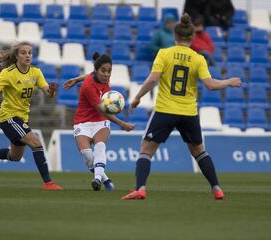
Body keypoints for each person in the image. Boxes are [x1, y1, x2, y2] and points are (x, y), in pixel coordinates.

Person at [121, 14, 241, 200]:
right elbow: (210, 85)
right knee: (199, 151)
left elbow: (153, 79)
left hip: (165, 109)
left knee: (146, 149)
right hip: (188, 112)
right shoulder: (198, 58)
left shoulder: (164, 53)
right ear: (192, 38)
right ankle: (216, 188)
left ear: (174, 36)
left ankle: (141, 188)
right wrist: (229, 81)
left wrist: (137, 97)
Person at [0, 41, 63, 191]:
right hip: (8, 118)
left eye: (30, 53)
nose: (27, 55)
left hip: (21, 119)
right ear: (16, 56)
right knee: (36, 143)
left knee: (14, 157)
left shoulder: (36, 72)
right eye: (23, 53)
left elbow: (48, 93)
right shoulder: (8, 74)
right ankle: (48, 183)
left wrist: (52, 91)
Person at [63, 53, 135, 191]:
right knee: (87, 154)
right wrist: (122, 124)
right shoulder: (88, 87)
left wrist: (76, 79)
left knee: (100, 146)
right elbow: (102, 110)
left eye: (109, 71)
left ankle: (97, 180)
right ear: (96, 70)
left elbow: (89, 75)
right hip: (83, 122)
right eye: (103, 71)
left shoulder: (101, 77)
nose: (107, 74)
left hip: (100, 122)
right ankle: (105, 179)